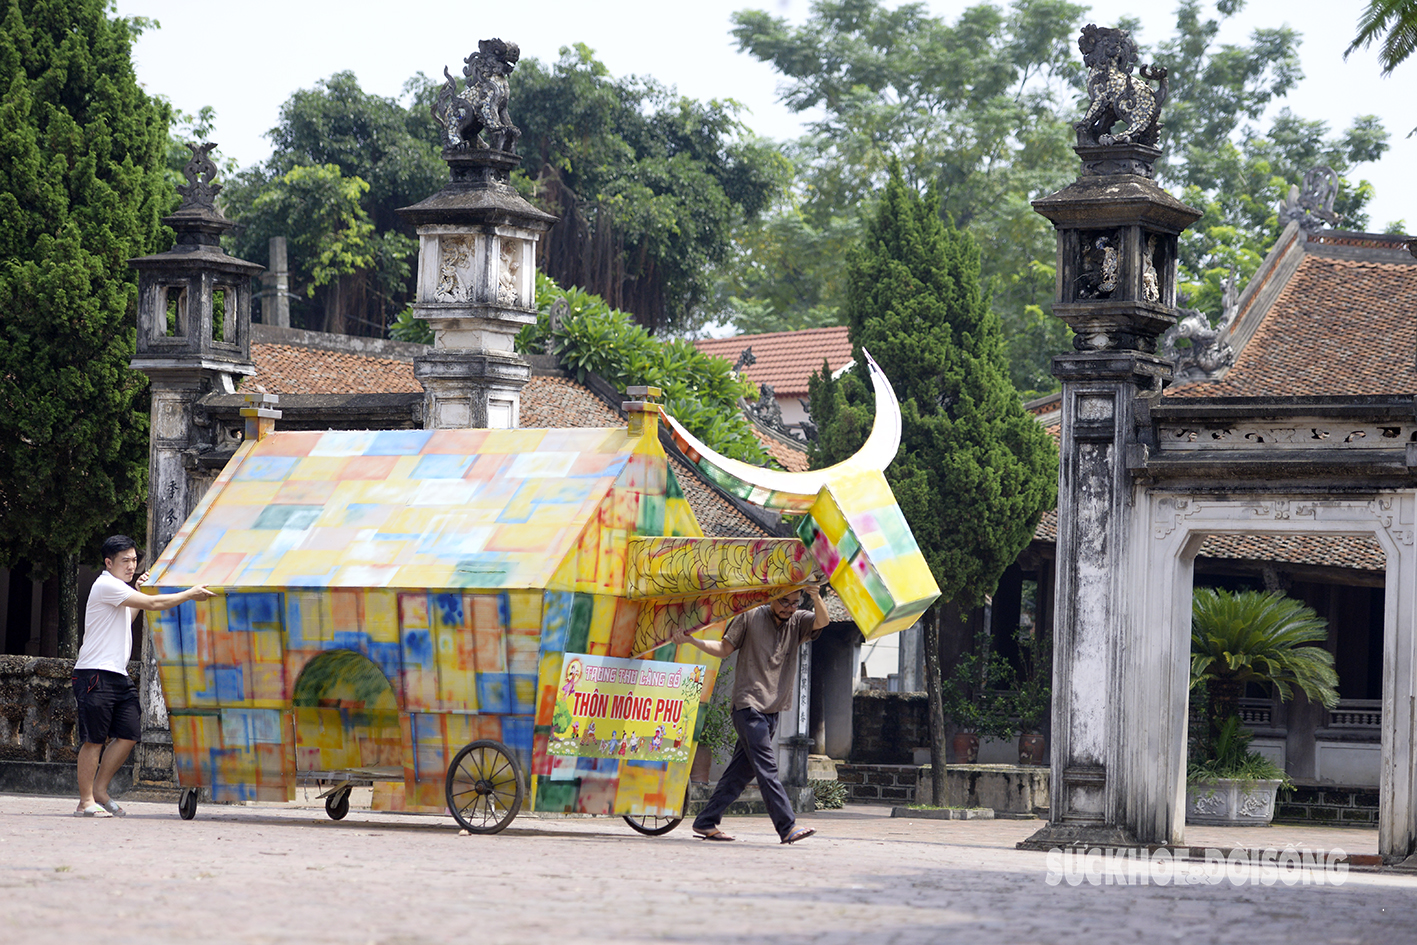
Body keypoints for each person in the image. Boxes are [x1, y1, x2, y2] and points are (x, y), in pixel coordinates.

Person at [73, 535, 216, 817]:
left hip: (117, 673)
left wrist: (138, 591)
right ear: (108, 562)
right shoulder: (106, 585)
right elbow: (152, 606)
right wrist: (189, 594)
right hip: (94, 673)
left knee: (129, 733)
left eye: (134, 560)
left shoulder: (119, 590)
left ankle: (100, 790)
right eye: (125, 560)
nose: (131, 565)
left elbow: (128, 618)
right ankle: (85, 801)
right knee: (94, 739)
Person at [674, 584, 829, 844]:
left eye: (794, 602)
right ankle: (787, 826)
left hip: (773, 709)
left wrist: (815, 596)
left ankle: (706, 821)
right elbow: (724, 649)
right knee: (767, 768)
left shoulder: (798, 620)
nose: (789, 608)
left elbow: (822, 621)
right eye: (784, 602)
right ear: (771, 598)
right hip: (748, 706)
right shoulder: (749, 616)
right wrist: (692, 640)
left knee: (739, 774)